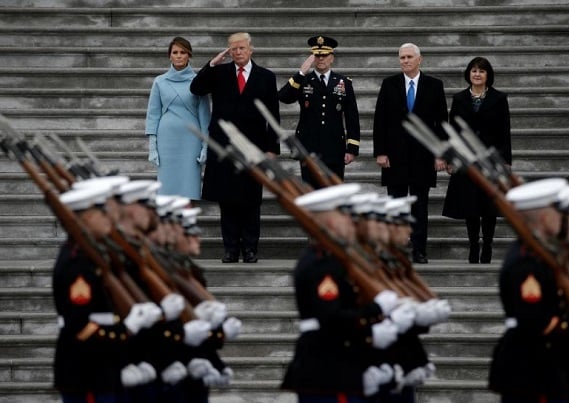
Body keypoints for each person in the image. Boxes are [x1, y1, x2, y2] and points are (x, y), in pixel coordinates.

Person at [488, 177, 569, 402]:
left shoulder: (546, 256)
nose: (566, 221)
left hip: (550, 369)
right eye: (559, 214)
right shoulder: (527, 263)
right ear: (544, 218)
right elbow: (535, 321)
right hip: (531, 373)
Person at [282, 183, 401, 403]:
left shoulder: (334, 259)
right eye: (344, 215)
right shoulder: (321, 264)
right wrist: (375, 313)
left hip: (339, 364)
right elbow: (331, 317)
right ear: (329, 222)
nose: (351, 222)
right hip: (326, 369)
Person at [53, 184, 163, 403]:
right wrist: (125, 329)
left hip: (105, 366)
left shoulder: (94, 255)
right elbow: (80, 325)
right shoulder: (77, 263)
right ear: (85, 218)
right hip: (87, 371)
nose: (108, 218)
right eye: (100, 213)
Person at [190, 31, 280, 264]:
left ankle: (250, 248)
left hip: (253, 145)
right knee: (227, 198)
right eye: (233, 49)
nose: (237, 52)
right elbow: (196, 88)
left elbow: (273, 115)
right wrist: (211, 64)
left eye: (241, 48)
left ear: (250, 49)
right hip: (224, 145)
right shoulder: (219, 73)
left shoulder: (266, 77)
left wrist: (272, 148)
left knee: (251, 199)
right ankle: (230, 249)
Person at [372, 43, 448, 264]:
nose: (404, 61)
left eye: (408, 57)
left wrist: (440, 153)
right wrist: (380, 152)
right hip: (394, 156)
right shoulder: (389, 84)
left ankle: (419, 250)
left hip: (423, 157)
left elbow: (442, 123)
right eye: (401, 57)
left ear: (419, 59)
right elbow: (380, 120)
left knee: (419, 206)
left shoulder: (434, 85)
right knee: (395, 205)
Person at [441, 56, 511, 264]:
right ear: (468, 74)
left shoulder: (499, 99)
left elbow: (504, 131)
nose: (477, 74)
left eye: (481, 71)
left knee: (489, 205)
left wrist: (505, 160)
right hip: (466, 159)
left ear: (488, 75)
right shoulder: (460, 99)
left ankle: (487, 245)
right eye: (474, 70)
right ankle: (473, 246)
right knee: (470, 204)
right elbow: (452, 131)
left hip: (491, 158)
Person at [278, 35, 360, 188]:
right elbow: (283, 97)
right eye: (317, 55)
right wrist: (301, 73)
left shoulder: (343, 82)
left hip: (334, 147)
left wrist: (352, 148)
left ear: (332, 58)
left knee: (334, 193)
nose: (321, 58)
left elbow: (352, 117)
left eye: (325, 55)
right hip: (308, 147)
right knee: (311, 192)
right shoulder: (304, 80)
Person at [146, 36, 211, 200]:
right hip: (166, 141)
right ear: (170, 56)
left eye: (183, 52)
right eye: (175, 52)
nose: (179, 56)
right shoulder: (159, 81)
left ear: (189, 55)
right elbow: (153, 114)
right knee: (166, 193)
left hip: (191, 141)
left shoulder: (198, 81)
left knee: (189, 189)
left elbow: (205, 115)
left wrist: (205, 146)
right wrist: (152, 146)